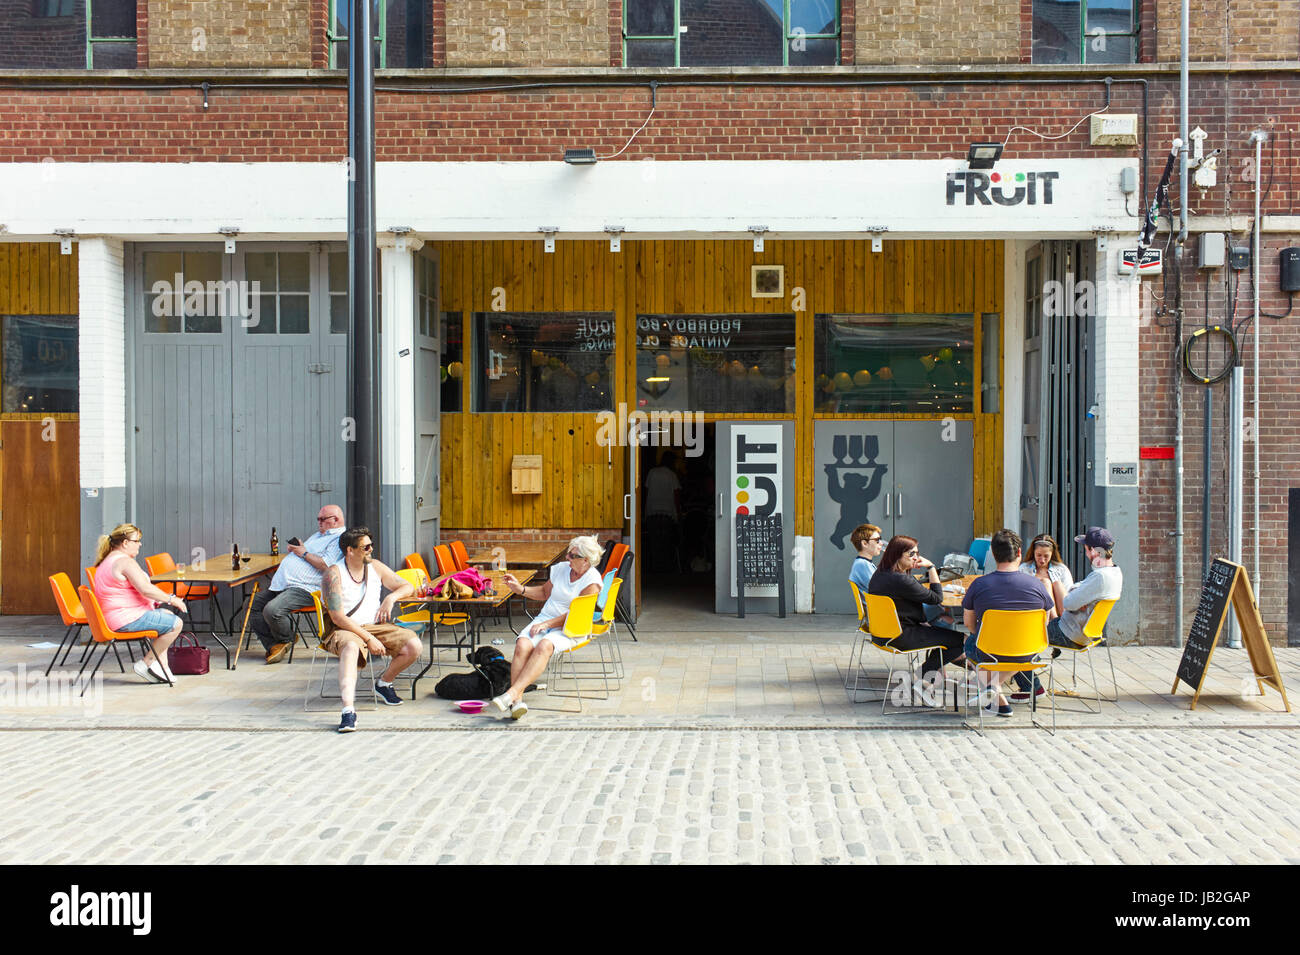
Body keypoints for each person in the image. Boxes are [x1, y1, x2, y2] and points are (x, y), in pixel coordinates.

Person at [491, 535, 603, 720]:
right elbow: (544, 592)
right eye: (568, 553)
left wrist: (547, 625)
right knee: (522, 645)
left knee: (544, 645)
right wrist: (520, 589)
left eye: (572, 556)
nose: (567, 558)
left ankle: (511, 694)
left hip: (572, 626)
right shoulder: (560, 570)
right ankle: (516, 703)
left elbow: (576, 614)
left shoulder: (592, 581)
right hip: (546, 619)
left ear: (586, 560)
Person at [320, 527, 419, 732]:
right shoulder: (333, 574)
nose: (371, 549)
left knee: (413, 646)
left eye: (371, 545)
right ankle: (348, 711)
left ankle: (383, 683)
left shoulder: (375, 566)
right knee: (350, 648)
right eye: (366, 547)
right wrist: (368, 639)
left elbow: (407, 586)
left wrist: (390, 598)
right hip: (345, 627)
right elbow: (337, 616)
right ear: (350, 550)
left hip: (375, 626)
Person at [1011, 526, 1123, 702]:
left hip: (1069, 632)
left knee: (1014, 635)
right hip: (1085, 631)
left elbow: (1068, 603)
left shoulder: (1099, 577)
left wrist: (1076, 595)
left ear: (1094, 550)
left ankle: (1032, 687)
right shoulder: (1114, 572)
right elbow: (1074, 591)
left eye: (1086, 548)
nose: (1085, 552)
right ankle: (1029, 667)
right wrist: (1078, 595)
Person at [961, 528, 1056, 718]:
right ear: (1019, 553)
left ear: (994, 554)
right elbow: (1044, 623)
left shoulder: (979, 585)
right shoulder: (1037, 584)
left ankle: (992, 691)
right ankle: (995, 694)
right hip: (1028, 652)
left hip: (990, 651)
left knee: (969, 641)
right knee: (1013, 653)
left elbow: (970, 625)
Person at [865, 534, 965, 703]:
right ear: (897, 555)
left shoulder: (880, 574)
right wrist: (932, 567)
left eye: (917, 553)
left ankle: (930, 677)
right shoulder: (901, 580)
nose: (916, 558)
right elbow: (936, 598)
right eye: (911, 554)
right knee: (961, 640)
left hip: (882, 634)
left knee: (943, 630)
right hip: (902, 636)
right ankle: (920, 678)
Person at [91, 523, 187, 684]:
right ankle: (147, 663)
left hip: (113, 617)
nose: (140, 544)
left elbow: (131, 591)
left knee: (167, 617)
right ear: (125, 543)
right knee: (176, 623)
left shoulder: (107, 560)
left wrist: (160, 598)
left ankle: (162, 668)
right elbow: (145, 589)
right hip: (126, 619)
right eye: (137, 541)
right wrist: (172, 599)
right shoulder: (124, 562)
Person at [252, 504, 346, 664]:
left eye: (322, 519)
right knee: (252, 604)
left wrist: (303, 552)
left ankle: (286, 638)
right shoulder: (319, 535)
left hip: (308, 588)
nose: (319, 523)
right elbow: (308, 553)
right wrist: (301, 548)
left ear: (335, 520)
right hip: (285, 585)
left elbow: (326, 565)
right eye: (318, 519)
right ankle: (274, 645)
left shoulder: (339, 539)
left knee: (272, 610)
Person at [1018, 532, 1075, 618]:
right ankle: (1054, 622)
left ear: (1052, 554)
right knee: (1046, 583)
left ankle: (1063, 622)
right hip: (1033, 612)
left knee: (1057, 584)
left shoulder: (1061, 569)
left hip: (1062, 612)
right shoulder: (1024, 568)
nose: (1042, 560)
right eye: (1039, 555)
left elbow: (1069, 594)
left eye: (1046, 556)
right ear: (1033, 552)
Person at [644, 451, 682, 572]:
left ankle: (655, 570)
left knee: (654, 544)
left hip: (652, 513)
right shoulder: (672, 475)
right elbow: (676, 496)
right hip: (667, 514)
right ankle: (665, 571)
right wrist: (678, 513)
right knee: (666, 545)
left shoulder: (652, 472)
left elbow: (646, 491)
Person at [848, 523, 884, 593]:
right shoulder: (862, 564)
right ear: (864, 543)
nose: (881, 543)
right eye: (877, 540)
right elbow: (880, 589)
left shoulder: (866, 563)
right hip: (877, 603)